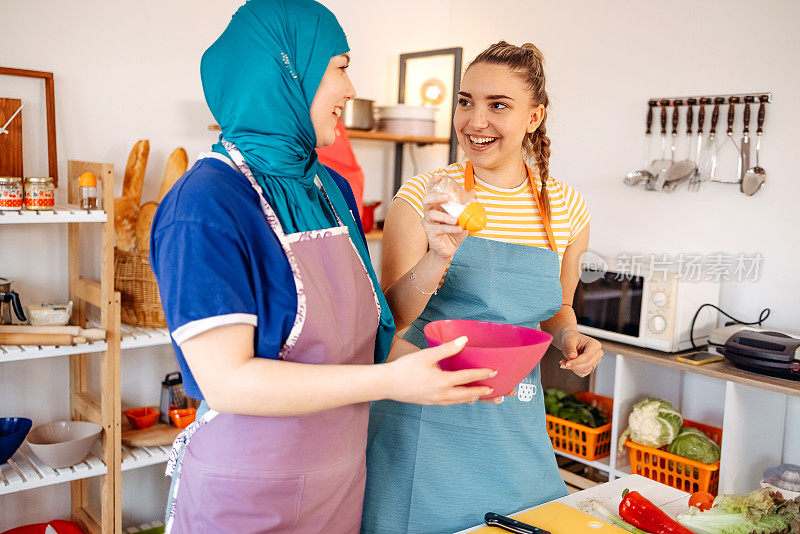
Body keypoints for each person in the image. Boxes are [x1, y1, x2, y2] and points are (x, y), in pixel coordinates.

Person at [149, 2, 496, 532]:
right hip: (246, 497)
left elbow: (376, 327)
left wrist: (437, 257)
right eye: (340, 66)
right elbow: (227, 382)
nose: (351, 89)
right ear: (289, 70)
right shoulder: (206, 204)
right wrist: (389, 382)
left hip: (338, 490)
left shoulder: (328, 189)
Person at [362, 41, 604, 533]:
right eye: (466, 101)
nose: (475, 121)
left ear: (534, 117)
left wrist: (572, 337)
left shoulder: (567, 209)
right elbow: (392, 320)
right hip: (423, 415)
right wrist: (438, 255)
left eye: (498, 106)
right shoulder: (423, 198)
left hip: (512, 421)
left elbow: (557, 306)